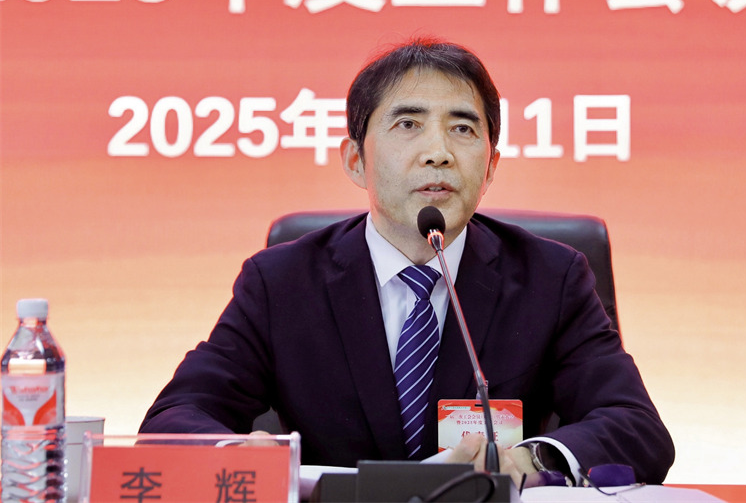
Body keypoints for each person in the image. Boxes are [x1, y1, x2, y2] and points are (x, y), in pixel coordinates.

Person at [140, 37, 674, 488]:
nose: (438, 151)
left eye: (463, 129)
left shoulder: (550, 278)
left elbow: (637, 428)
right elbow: (174, 419)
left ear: (491, 167)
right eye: (408, 124)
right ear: (356, 160)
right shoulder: (281, 282)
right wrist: (236, 451)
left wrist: (531, 460)